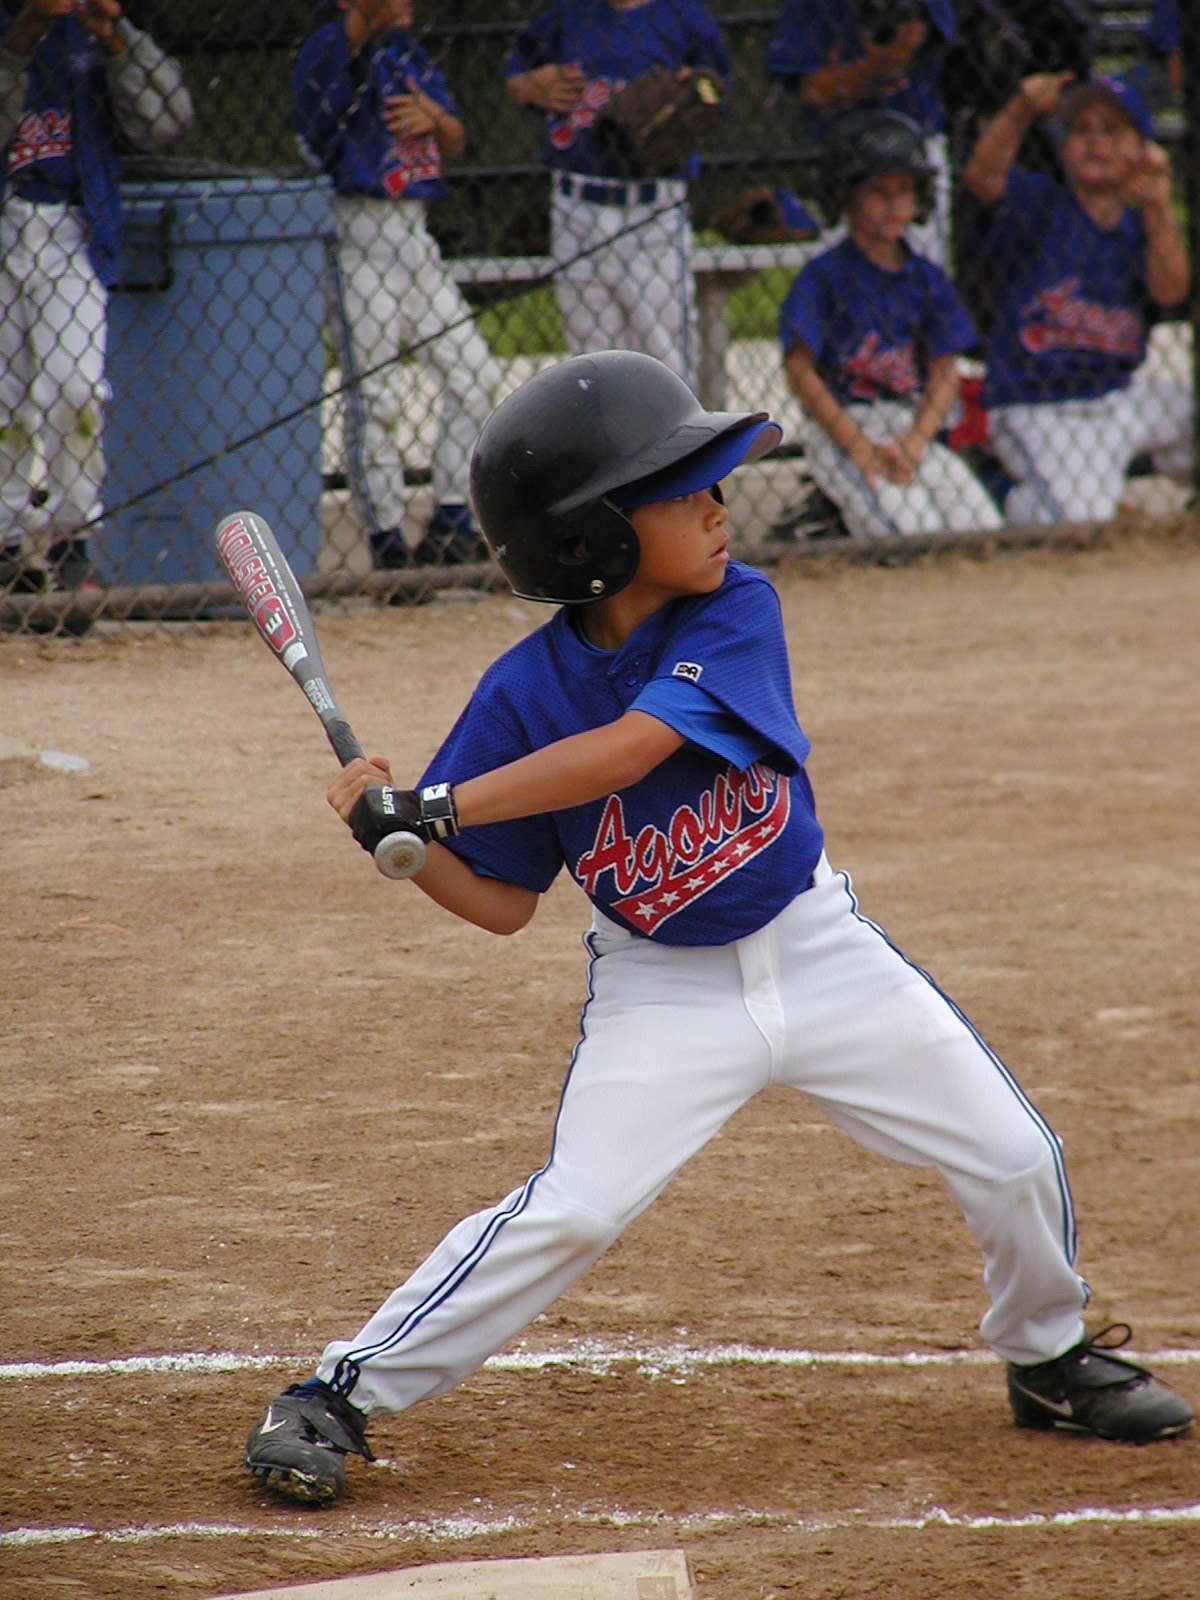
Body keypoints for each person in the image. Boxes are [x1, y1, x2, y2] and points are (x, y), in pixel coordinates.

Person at [241, 348, 1193, 1506]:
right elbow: (499, 904)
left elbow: (631, 749)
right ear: (588, 537)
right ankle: (335, 1393)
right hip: (662, 989)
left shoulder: (738, 608)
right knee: (578, 1206)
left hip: (819, 947)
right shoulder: (518, 697)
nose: (718, 505)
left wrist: (432, 803)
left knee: (1015, 1155)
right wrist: (395, 842)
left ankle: (1047, 1355)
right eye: (681, 490)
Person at [293, 0, 503, 571]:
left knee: (475, 375)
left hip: (415, 236)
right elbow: (315, 132)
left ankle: (451, 520)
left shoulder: (407, 51)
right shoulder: (328, 52)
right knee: (375, 395)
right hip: (357, 232)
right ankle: (385, 538)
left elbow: (455, 138)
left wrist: (435, 117)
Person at [0, 0, 192, 597]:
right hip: (5, 222)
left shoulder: (89, 33)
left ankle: (71, 543)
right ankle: (5, 545)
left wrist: (114, 38)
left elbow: (168, 120)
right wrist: (23, 36)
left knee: (76, 391)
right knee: (3, 399)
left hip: (73, 231)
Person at [964, 72, 1192, 527]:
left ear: (1142, 149)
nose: (1096, 143)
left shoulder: (1140, 227)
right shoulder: (1039, 204)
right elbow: (982, 176)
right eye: (1081, 130)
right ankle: (1001, 493)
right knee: (1082, 519)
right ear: (1064, 148)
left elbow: (1171, 290)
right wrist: (1021, 108)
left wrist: (1157, 207)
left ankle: (1120, 493)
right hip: (1038, 406)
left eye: (1112, 130)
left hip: (1118, 399)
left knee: (1189, 410)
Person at [780, 110, 1003, 541]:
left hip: (909, 425)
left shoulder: (926, 278)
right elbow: (799, 371)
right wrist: (857, 446)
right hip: (844, 426)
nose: (895, 203)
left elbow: (945, 373)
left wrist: (915, 443)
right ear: (846, 196)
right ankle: (830, 520)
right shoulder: (823, 277)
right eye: (878, 191)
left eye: (905, 190)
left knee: (983, 528)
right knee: (911, 532)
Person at [505, 0, 730, 388]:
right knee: (591, 367)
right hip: (577, 207)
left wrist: (692, 100)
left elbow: (716, 91)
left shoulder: (685, 17)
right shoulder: (567, 16)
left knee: (665, 363)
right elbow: (516, 75)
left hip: (653, 211)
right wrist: (531, 87)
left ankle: (671, 430)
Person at [766, 0, 955, 265]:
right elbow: (815, 90)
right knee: (844, 267)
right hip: (841, 155)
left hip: (915, 146)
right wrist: (877, 65)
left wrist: (904, 43)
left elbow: (944, 39)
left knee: (921, 262)